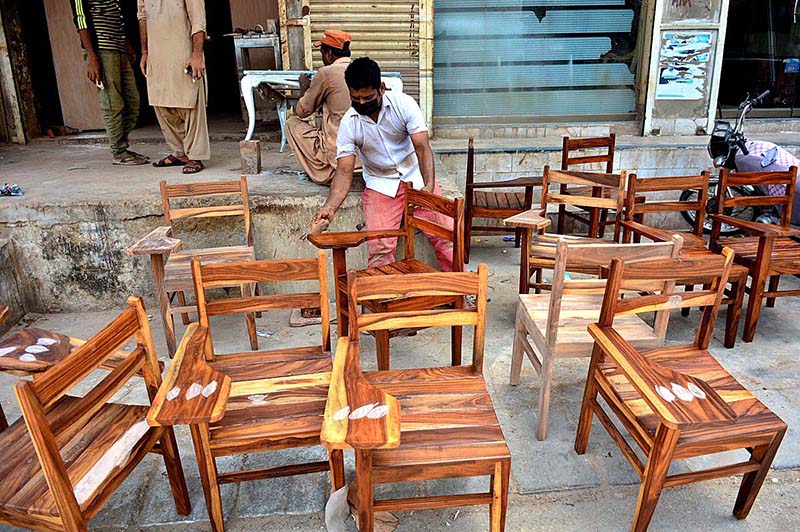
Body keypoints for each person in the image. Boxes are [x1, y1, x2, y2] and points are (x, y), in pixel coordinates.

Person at [311, 57, 454, 271]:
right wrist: (330, 208)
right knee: (380, 247)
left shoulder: (404, 104)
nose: (361, 103)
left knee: (447, 236)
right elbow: (344, 170)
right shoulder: (350, 123)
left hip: (415, 179)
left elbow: (422, 148)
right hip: (380, 185)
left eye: (367, 97)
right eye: (355, 98)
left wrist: (429, 187)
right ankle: (382, 298)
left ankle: (460, 291)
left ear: (382, 88)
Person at [137, 0, 209, 174]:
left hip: (183, 52)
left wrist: (197, 54)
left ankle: (195, 155)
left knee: (190, 101)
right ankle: (180, 152)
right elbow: (142, 17)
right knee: (161, 103)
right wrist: (145, 52)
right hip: (157, 54)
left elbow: (198, 20)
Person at [72, 0, 148, 165]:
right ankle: (118, 151)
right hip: (102, 50)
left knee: (132, 101)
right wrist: (92, 57)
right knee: (112, 101)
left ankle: (122, 146)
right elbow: (81, 19)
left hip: (118, 47)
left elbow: (117, 14)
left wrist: (126, 44)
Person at [285, 29, 354, 185]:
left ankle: (323, 173)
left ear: (329, 53)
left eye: (323, 53)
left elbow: (302, 111)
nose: (323, 58)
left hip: (339, 153)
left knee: (291, 123)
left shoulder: (327, 73)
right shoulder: (361, 68)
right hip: (362, 154)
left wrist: (305, 88)